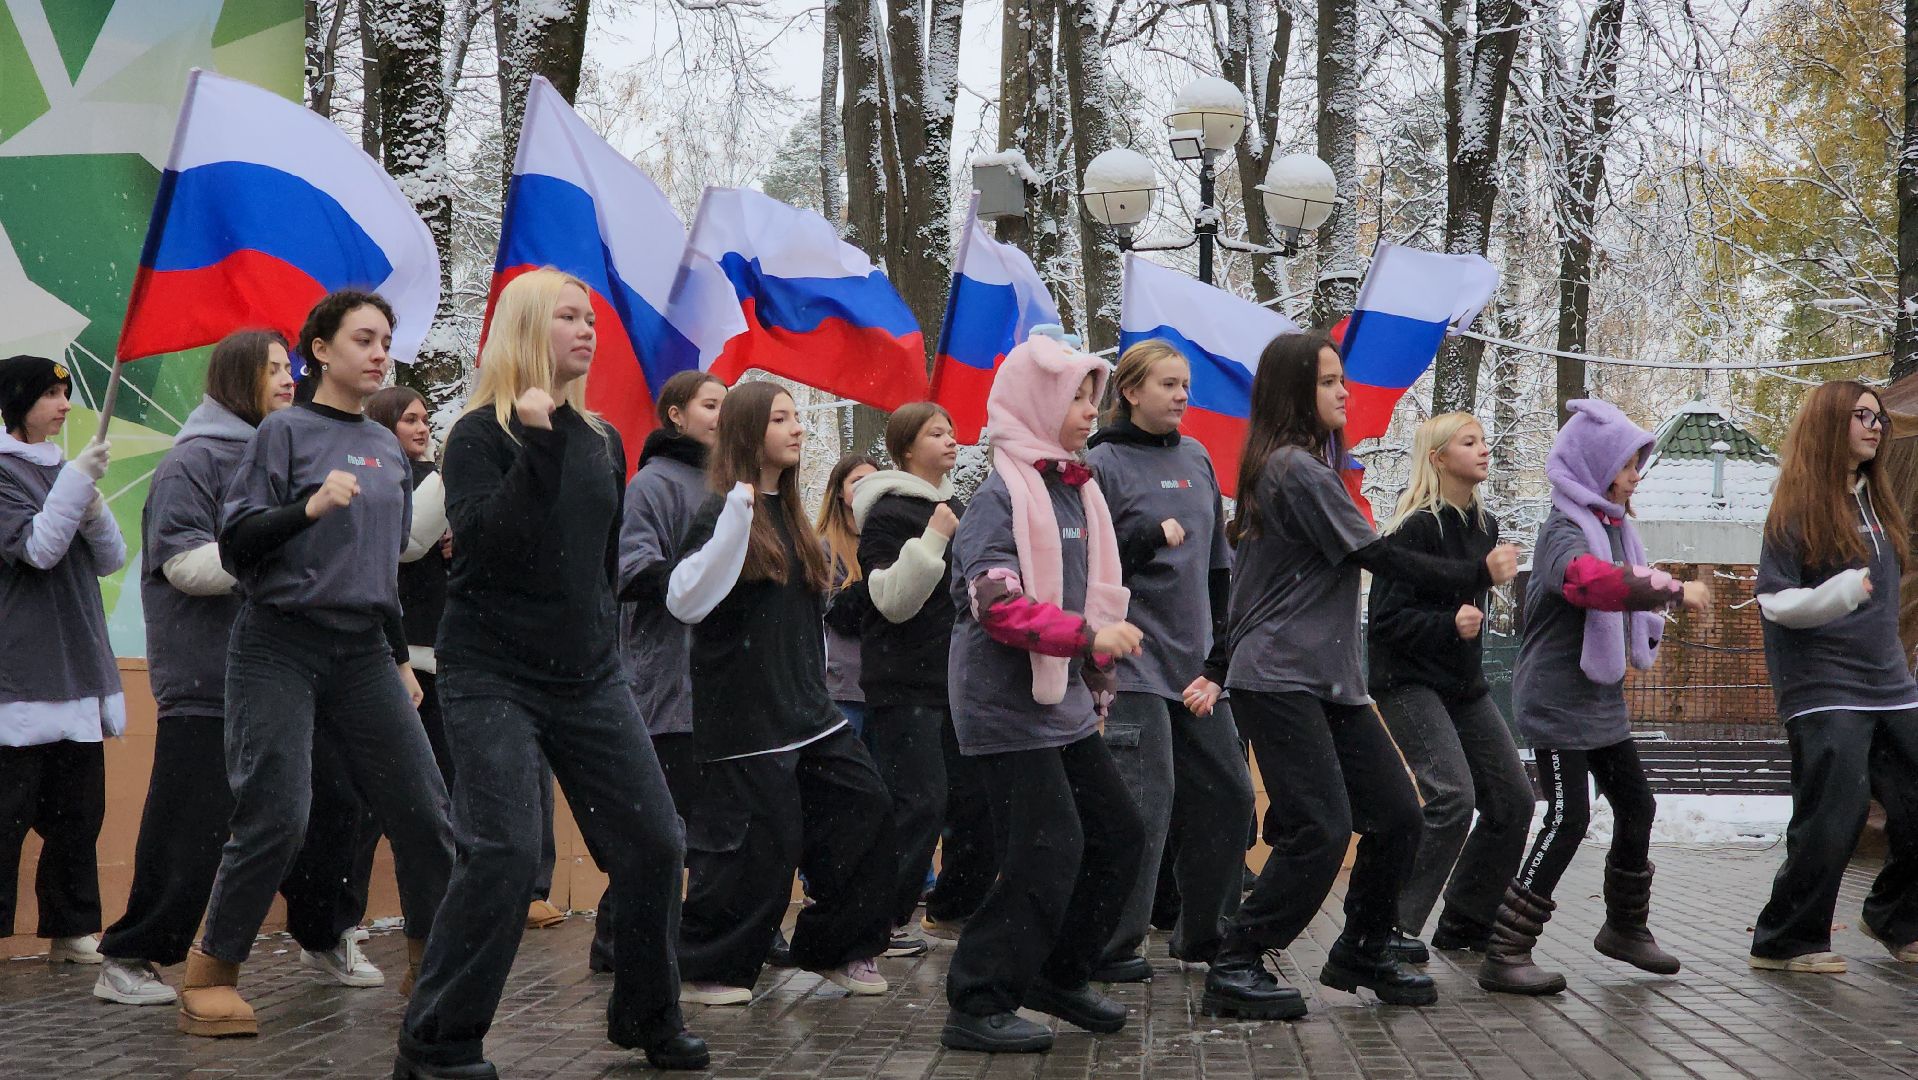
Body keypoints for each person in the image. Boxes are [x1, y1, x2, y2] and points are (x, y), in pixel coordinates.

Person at [395, 269, 706, 1077]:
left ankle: (646, 1015)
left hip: (589, 676)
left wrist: (609, 654)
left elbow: (599, 569)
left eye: (590, 318)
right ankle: (438, 1043)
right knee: (501, 852)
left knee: (653, 842)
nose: (587, 330)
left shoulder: (604, 439)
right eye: (568, 316)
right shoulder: (476, 436)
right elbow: (488, 547)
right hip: (491, 670)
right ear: (528, 329)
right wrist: (535, 442)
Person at [1201, 332, 1517, 1021]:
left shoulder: (1308, 468)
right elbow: (1379, 553)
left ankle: (1364, 947)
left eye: (1341, 379)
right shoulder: (1293, 469)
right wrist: (1474, 571)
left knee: (1399, 817)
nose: (1343, 392)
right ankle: (1237, 962)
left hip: (1327, 680)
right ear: (1295, 393)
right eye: (1327, 382)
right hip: (1280, 677)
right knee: (1321, 826)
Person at [181, 290, 455, 1038]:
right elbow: (237, 543)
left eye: (386, 341)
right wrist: (306, 508)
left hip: (365, 649)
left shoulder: (390, 457)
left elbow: (384, 571)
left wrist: (399, 658)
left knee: (427, 815)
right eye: (362, 338)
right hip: (279, 640)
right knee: (278, 812)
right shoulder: (283, 434)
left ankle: (429, 973)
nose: (378, 352)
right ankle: (212, 970)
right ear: (321, 351)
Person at [97, 332, 384, 1006]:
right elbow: (183, 565)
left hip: (293, 671)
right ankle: (132, 955)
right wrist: (278, 547)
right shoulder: (194, 461)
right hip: (209, 675)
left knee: (336, 800)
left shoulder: (284, 452)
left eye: (292, 367)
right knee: (192, 821)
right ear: (237, 378)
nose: (290, 379)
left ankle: (323, 931)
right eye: (274, 369)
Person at [940, 328, 1147, 1054]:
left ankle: (1059, 974)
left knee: (1119, 836)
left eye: (1094, 397)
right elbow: (997, 606)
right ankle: (977, 999)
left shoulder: (1072, 492)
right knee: (1047, 847)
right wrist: (1088, 641)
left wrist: (1094, 666)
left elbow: (1088, 597)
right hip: (1004, 707)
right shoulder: (1001, 498)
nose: (1092, 412)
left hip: (1057, 705)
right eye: (1077, 398)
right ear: (1036, 403)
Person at [669, 380, 896, 1006]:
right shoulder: (721, 511)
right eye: (780, 419)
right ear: (748, 432)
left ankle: (834, 947)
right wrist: (736, 519)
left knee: (867, 808)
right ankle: (707, 966)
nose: (797, 428)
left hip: (808, 712)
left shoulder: (794, 518)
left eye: (797, 417)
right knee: (757, 850)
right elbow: (683, 598)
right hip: (743, 718)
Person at [1478, 397, 1708, 996]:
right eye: (1627, 464)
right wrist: (1671, 588)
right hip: (1555, 700)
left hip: (1597, 701)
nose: (1635, 476)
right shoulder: (1562, 531)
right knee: (1566, 818)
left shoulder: (1614, 529)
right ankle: (1505, 950)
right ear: (1594, 467)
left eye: (1638, 464)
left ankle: (1625, 928)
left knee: (1637, 805)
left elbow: (1614, 580)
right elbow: (1590, 585)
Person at [1083, 341, 1254, 981]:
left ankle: (1204, 934)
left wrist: (1220, 655)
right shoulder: (1099, 464)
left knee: (1230, 798)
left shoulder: (1199, 456)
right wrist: (1145, 537)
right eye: (1169, 384)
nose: (1183, 395)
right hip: (1130, 666)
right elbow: (1088, 571)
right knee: (1146, 807)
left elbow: (1218, 568)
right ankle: (1113, 944)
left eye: (1186, 384)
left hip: (1196, 669)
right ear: (1129, 391)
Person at [1748, 382, 1918, 973]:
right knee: (1836, 813)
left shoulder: (1878, 501)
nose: (1875, 426)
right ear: (1828, 425)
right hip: (1823, 687)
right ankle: (1786, 939)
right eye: (1861, 416)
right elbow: (1775, 600)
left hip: (1890, 684)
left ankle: (1896, 915)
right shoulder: (1795, 506)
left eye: (1878, 418)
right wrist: (1838, 592)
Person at [1368, 412, 1535, 956]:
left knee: (1512, 799)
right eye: (1470, 442)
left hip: (1461, 685)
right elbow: (1386, 623)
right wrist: (1446, 624)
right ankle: (1387, 930)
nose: (1484, 449)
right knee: (1452, 799)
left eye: (1485, 439)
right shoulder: (1415, 527)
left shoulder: (1482, 526)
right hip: (1408, 683)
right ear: (1439, 458)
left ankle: (1466, 920)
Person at [588, 368, 728, 975]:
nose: (721, 415)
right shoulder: (653, 484)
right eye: (709, 404)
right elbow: (630, 570)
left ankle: (707, 925)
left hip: (724, 688)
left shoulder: (732, 485)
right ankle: (618, 938)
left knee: (715, 825)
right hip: (668, 686)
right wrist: (702, 575)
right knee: (661, 823)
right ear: (674, 414)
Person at [0, 354, 120, 969]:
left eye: (66, 391)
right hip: (19, 674)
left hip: (77, 666)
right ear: (17, 403)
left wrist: (92, 505)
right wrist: (75, 486)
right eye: (50, 393)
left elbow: (111, 558)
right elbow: (40, 550)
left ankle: (72, 926)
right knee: (6, 815)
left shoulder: (66, 472)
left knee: (79, 813)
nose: (65, 404)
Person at [850, 405, 967, 960]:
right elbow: (892, 602)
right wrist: (935, 540)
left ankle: (954, 906)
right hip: (905, 683)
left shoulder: (956, 506)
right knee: (920, 801)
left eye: (951, 431)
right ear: (904, 448)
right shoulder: (888, 513)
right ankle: (882, 919)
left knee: (972, 801)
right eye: (936, 433)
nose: (951, 440)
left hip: (958, 681)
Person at [819, 453, 880, 735]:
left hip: (891, 685)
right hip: (847, 686)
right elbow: (837, 613)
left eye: (874, 479)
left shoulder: (897, 539)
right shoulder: (823, 546)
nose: (867, 486)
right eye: (857, 481)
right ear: (840, 493)